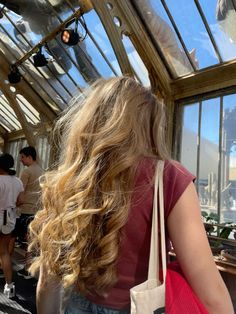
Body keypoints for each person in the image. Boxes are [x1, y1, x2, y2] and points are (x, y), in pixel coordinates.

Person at [29, 77, 234, 314]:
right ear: (150, 126)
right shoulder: (169, 177)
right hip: (139, 307)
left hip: (76, 303)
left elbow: (47, 281)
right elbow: (211, 296)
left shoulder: (67, 181)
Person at [15, 146, 43, 279]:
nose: (21, 160)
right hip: (38, 210)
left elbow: (20, 192)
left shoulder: (26, 172)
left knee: (26, 240)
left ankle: (27, 269)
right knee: (32, 240)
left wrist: (15, 205)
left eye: (22, 157)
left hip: (26, 210)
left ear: (29, 157)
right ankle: (30, 267)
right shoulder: (42, 171)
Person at [0, 153, 24, 298]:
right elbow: (21, 200)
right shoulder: (17, 181)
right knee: (4, 253)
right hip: (8, 218)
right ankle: (9, 287)